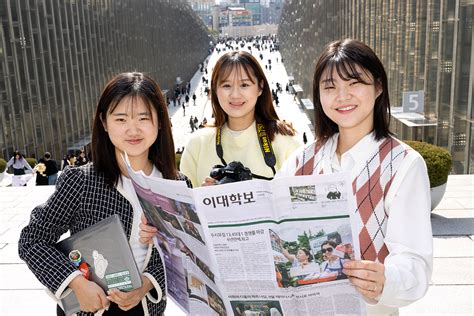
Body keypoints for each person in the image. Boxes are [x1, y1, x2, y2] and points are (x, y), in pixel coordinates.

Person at [278, 39, 432, 314]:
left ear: (378, 87)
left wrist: (386, 279)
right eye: (330, 87)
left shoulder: (403, 164)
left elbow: (415, 261)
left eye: (354, 83)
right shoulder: (300, 161)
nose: (342, 96)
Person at [19, 72, 190, 316]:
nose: (133, 129)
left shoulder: (177, 185)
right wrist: (76, 283)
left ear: (160, 121)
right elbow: (32, 239)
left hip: (146, 308)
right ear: (104, 122)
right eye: (121, 119)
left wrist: (147, 284)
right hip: (88, 306)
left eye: (143, 117)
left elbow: (185, 255)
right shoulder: (81, 181)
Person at [179, 51, 301, 187]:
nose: (235, 95)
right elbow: (184, 206)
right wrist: (205, 199)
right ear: (215, 89)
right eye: (226, 86)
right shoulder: (196, 145)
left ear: (260, 87)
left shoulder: (287, 144)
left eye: (244, 85)